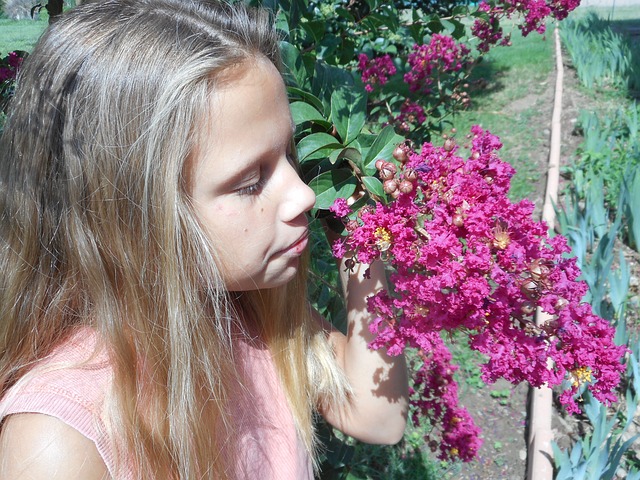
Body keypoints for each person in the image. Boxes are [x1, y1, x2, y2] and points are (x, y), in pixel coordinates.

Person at [0, 0, 408, 478]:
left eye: (289, 155)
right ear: (130, 214)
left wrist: (364, 233)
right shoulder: (60, 439)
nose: (303, 196)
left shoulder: (248, 315)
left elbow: (378, 415)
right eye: (250, 181)